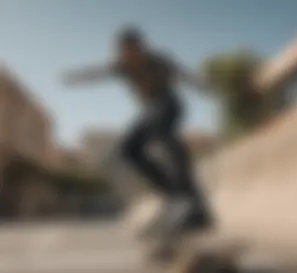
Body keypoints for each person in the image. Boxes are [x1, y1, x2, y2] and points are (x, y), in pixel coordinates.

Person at [62, 26, 213, 235]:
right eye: (127, 52)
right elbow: (98, 73)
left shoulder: (158, 61)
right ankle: (174, 195)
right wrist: (76, 77)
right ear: (122, 52)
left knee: (162, 134)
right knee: (128, 149)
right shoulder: (122, 66)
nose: (133, 56)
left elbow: (182, 74)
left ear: (142, 48)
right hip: (149, 111)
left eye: (136, 50)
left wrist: (202, 86)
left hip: (169, 104)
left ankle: (184, 196)